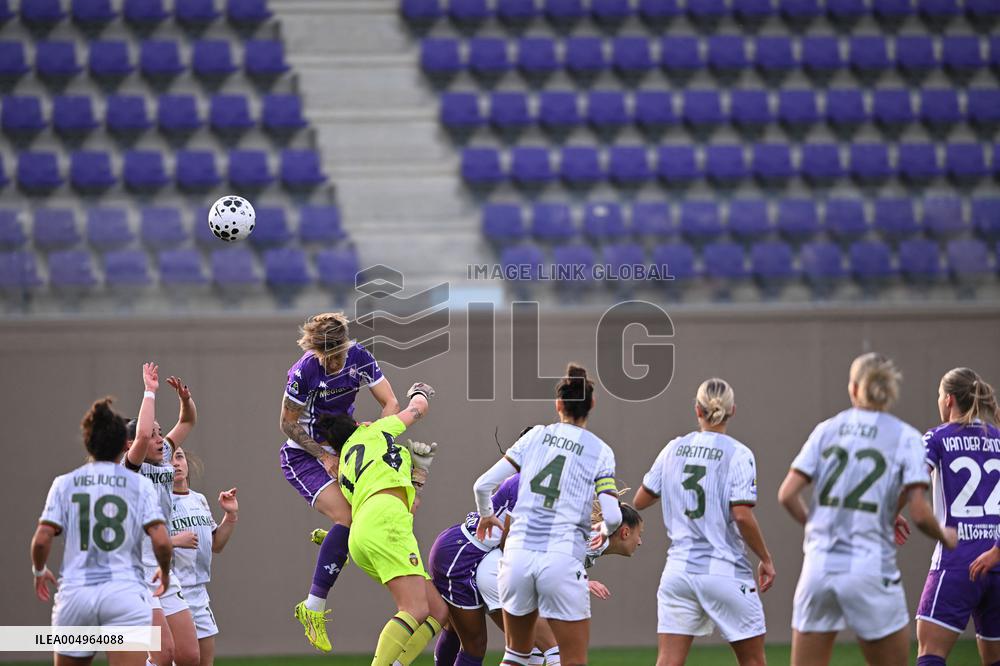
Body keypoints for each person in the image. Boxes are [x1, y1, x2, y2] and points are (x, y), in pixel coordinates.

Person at [778, 352, 958, 666]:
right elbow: (918, 511)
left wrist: (817, 526)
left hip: (819, 567)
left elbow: (787, 495)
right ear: (890, 390)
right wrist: (945, 537)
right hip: (870, 567)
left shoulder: (827, 429)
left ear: (853, 388)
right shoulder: (905, 436)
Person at [474, 363, 620, 666]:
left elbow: (482, 485)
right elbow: (614, 516)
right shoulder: (600, 450)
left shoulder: (535, 436)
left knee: (516, 655)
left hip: (516, 557)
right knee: (572, 659)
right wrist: (606, 529)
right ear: (591, 404)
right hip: (561, 559)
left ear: (558, 405)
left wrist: (487, 514)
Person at [31, 372, 172, 666]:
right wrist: (165, 570)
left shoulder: (64, 483)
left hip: (76, 594)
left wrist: (39, 570)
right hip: (125, 593)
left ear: (87, 443)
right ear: (125, 444)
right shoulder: (139, 483)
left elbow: (43, 538)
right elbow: (160, 539)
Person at [278, 312, 400, 652]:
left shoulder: (360, 357)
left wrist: (373, 435)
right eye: (327, 357)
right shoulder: (304, 371)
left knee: (372, 508)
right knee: (348, 517)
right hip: (306, 455)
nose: (334, 363)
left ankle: (332, 540)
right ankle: (312, 607)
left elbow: (390, 403)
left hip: (347, 450)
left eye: (339, 355)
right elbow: (287, 424)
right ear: (316, 351)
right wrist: (324, 456)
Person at [633, 378, 774, 666]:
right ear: (732, 410)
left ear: (697, 410)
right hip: (725, 571)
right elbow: (742, 515)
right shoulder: (739, 453)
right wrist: (766, 559)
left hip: (679, 572)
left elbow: (640, 500)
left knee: (668, 661)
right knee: (753, 662)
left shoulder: (673, 448)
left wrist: (676, 491)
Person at [315, 381, 445, 666]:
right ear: (360, 424)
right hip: (384, 523)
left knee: (438, 611)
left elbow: (406, 504)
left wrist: (419, 473)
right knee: (414, 608)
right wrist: (421, 391)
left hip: (364, 532)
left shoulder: (344, 466)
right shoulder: (375, 430)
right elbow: (418, 408)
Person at [472, 499, 644, 666]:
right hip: (500, 571)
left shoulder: (589, 539)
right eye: (640, 534)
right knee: (559, 653)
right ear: (626, 532)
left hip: (497, 570)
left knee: (527, 654)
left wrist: (580, 579)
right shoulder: (596, 540)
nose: (640, 542)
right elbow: (552, 559)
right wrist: (581, 581)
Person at [914, 368, 1000, 666]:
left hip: (956, 562)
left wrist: (896, 511)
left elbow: (912, 482)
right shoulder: (999, 439)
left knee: (930, 655)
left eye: (940, 396)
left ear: (949, 399)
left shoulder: (937, 437)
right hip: (996, 561)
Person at [123, 374, 200, 666]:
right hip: (136, 571)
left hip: (160, 569)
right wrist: (149, 392)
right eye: (154, 434)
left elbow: (188, 422)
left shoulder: (163, 456)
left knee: (189, 656)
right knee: (163, 654)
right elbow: (142, 436)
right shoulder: (130, 468)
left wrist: (185, 399)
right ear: (132, 444)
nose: (159, 438)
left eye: (159, 433)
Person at [170, 446, 239, 666]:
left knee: (204, 662)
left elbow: (216, 545)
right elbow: (142, 546)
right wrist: (174, 541)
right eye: (167, 460)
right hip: (171, 593)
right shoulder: (158, 501)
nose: (175, 463)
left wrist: (230, 516)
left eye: (179, 457)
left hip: (199, 592)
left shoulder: (198, 499)